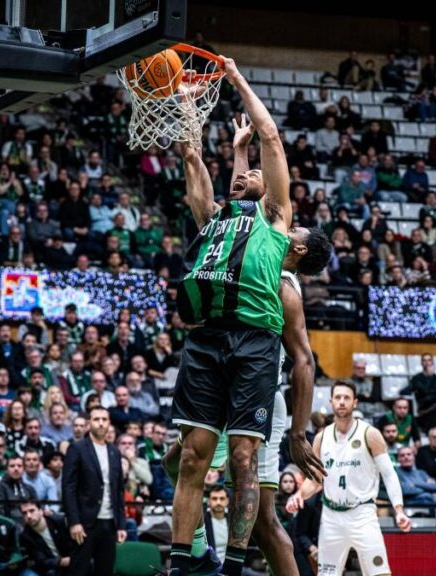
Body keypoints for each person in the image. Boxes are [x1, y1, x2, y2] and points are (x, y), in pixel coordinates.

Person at [169, 57, 318, 576]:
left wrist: (232, 76)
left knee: (242, 461)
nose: (248, 174)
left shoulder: (276, 223)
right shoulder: (220, 218)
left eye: (253, 172)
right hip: (207, 338)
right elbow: (193, 159)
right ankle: (181, 563)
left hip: (254, 342)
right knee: (190, 457)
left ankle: (233, 564)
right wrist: (186, 102)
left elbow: (272, 138)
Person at [161, 222, 332, 574]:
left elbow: (304, 361)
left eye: (296, 229)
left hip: (258, 392)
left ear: (300, 250)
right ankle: (198, 555)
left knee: (264, 520)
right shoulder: (255, 258)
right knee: (177, 463)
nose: (289, 228)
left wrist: (299, 435)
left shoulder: (283, 284)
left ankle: (224, 564)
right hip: (225, 380)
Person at [286, 381, 412, 575]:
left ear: (355, 402)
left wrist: (399, 510)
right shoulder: (321, 438)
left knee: (380, 573)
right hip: (331, 517)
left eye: (346, 398)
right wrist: (299, 495)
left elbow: (389, 474)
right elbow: (315, 479)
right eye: (338, 397)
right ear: (331, 402)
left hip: (363, 514)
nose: (342, 402)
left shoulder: (370, 434)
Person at [62, 407, 126, 576]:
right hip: (84, 522)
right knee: (79, 570)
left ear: (109, 423)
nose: (101, 423)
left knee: (105, 571)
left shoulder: (114, 451)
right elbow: (68, 488)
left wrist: (121, 524)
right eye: (97, 419)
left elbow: (118, 490)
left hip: (109, 521)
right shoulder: (77, 448)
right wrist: (74, 521)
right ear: (89, 423)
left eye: (104, 420)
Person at [20, 499, 74, 576]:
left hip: (73, 560)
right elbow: (40, 560)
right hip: (53, 568)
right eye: (24, 513)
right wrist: (60, 562)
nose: (28, 516)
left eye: (32, 511)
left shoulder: (58, 522)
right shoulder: (26, 536)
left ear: (41, 511)